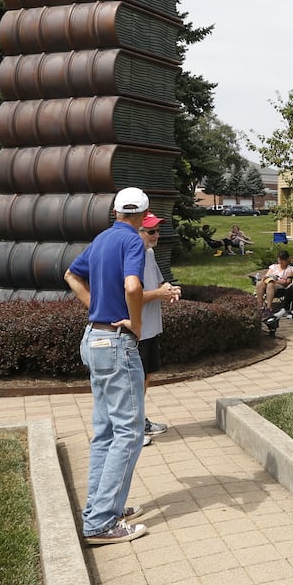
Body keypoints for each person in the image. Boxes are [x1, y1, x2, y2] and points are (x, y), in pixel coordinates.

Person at [63, 186, 152, 546]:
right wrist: (135, 322)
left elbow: (71, 275)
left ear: (115, 211)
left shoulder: (100, 240)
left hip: (93, 339)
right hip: (116, 344)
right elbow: (133, 285)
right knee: (129, 434)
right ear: (145, 215)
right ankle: (101, 522)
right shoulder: (133, 242)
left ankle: (101, 509)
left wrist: (95, 307)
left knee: (105, 432)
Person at [137, 212, 181, 447]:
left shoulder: (150, 254)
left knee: (145, 377)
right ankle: (131, 430)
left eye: (157, 230)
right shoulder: (131, 257)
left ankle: (138, 420)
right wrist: (158, 293)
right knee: (134, 381)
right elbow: (130, 297)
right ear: (137, 231)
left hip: (151, 328)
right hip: (137, 330)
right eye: (151, 231)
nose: (157, 235)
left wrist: (169, 289)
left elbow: (157, 284)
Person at [256, 250, 293, 316]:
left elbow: (287, 282)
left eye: (282, 260)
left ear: (286, 260)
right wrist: (265, 278)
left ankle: (269, 308)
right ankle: (260, 306)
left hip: (280, 286)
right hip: (269, 282)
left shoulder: (289, 269)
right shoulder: (273, 267)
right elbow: (267, 275)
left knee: (270, 284)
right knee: (259, 283)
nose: (280, 262)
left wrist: (275, 281)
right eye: (279, 260)